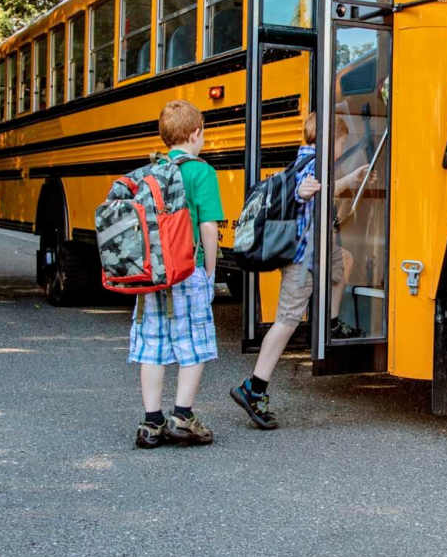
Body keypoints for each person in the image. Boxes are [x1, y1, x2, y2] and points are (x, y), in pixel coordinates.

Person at [230, 112, 367, 430]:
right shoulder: (312, 165)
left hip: (317, 251)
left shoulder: (307, 160)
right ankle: (254, 387)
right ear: (331, 139)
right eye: (341, 141)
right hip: (302, 259)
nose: (341, 147)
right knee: (287, 321)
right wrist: (303, 192)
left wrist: (348, 181)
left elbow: (320, 190)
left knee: (341, 262)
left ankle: (331, 323)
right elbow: (302, 190)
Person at [131, 99, 225, 449]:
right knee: (194, 344)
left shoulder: (149, 171)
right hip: (188, 270)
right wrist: (210, 273)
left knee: (152, 345)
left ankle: (151, 422)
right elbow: (209, 228)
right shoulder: (201, 171)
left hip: (151, 273)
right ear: (196, 132)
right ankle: (182, 416)